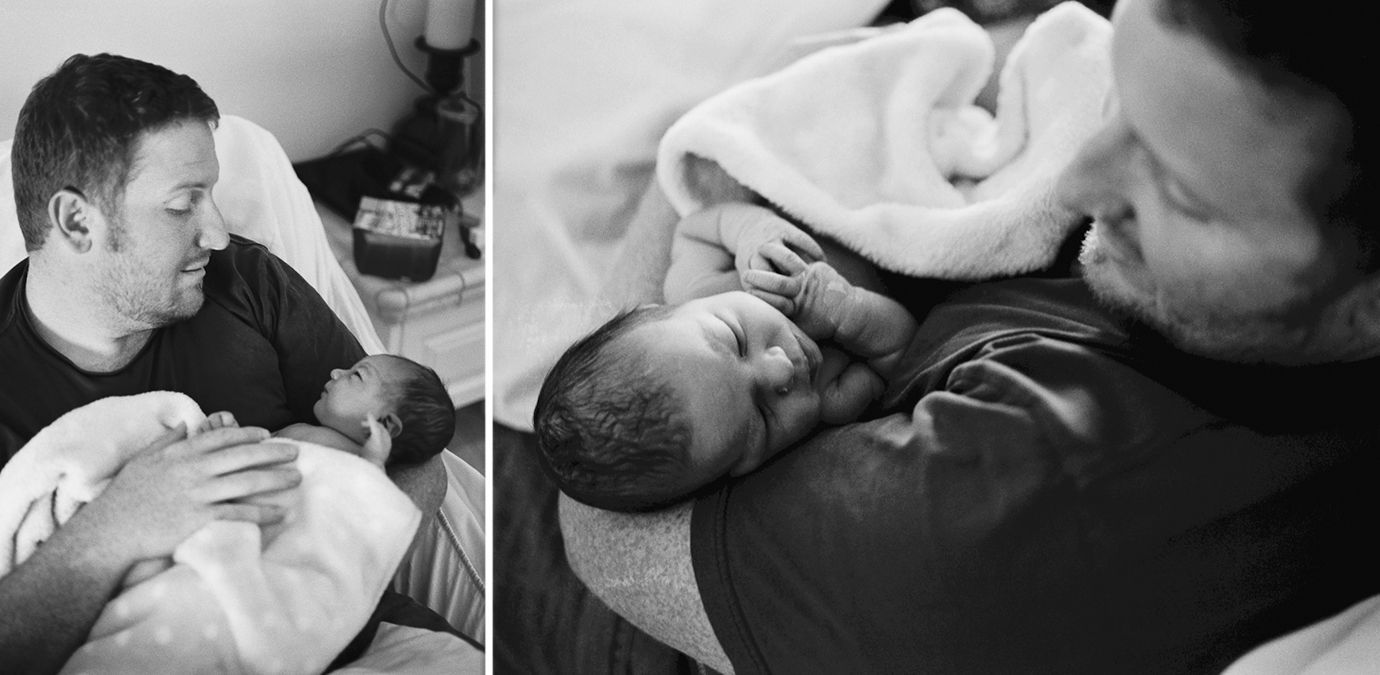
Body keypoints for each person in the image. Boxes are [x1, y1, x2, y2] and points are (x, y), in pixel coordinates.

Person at [555, 0, 1380, 673]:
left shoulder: (997, 519)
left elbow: (603, 535)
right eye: (1121, 92)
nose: (1078, 179)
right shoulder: (1255, 123)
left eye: (1181, 192)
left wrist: (727, 159)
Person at [0, 53, 445, 671]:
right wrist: (122, 524)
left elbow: (418, 460)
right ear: (77, 221)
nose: (217, 233)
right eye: (183, 205)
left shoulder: (249, 280)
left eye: (212, 195)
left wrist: (323, 569)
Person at [535, 203, 918, 511]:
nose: (781, 368)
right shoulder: (833, 400)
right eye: (765, 419)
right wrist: (843, 310)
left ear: (657, 310)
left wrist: (752, 231)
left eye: (734, 339)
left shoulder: (695, 285)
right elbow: (901, 348)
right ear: (742, 469)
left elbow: (698, 225)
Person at [276, 353, 457, 468]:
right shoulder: (328, 438)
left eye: (356, 375)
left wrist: (374, 463)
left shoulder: (361, 467)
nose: (336, 372)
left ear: (386, 426)